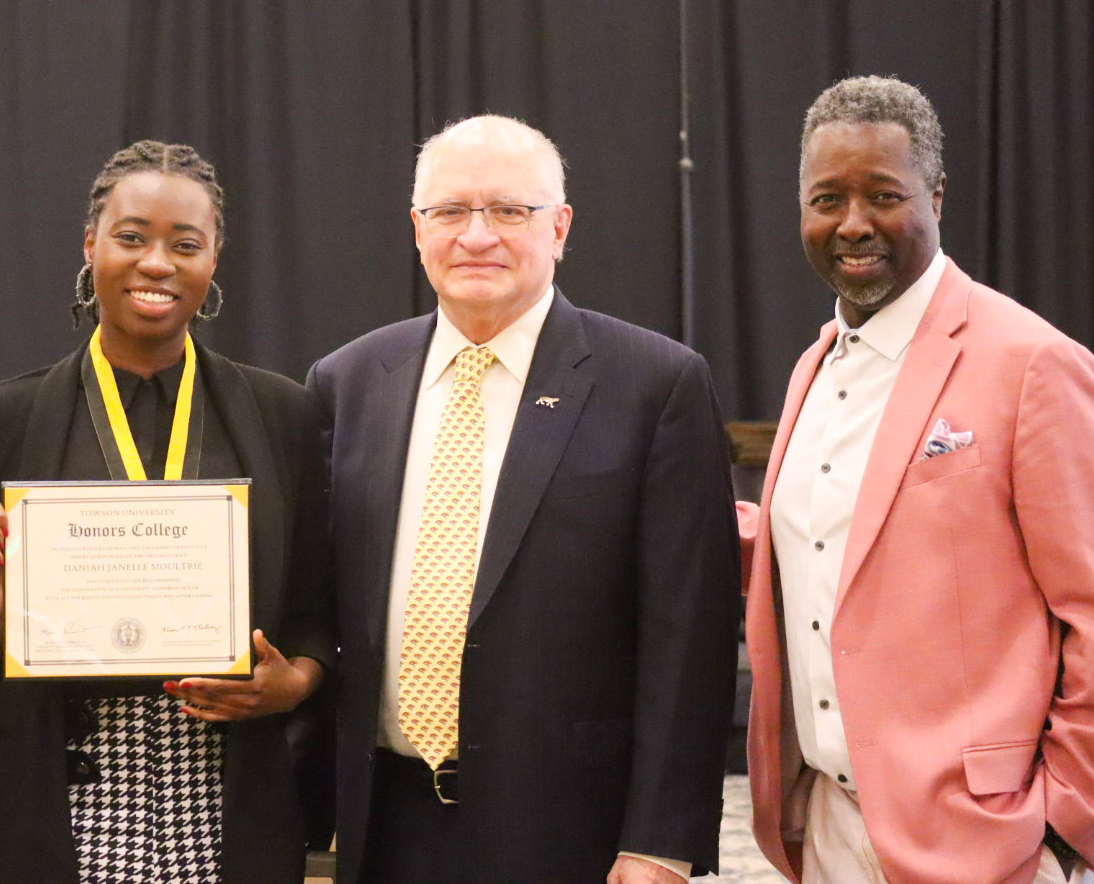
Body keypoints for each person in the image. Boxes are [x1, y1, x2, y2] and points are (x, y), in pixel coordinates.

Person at [306, 115, 741, 884]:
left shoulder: (654, 385)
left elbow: (690, 638)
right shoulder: (345, 383)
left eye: (509, 211)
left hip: (572, 833)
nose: (476, 236)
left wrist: (659, 843)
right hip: (383, 827)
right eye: (450, 211)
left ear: (559, 227)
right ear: (417, 229)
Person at [0, 140, 333, 884]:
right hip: (59, 805)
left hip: (222, 801)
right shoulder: (3, 419)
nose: (157, 263)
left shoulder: (283, 415)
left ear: (214, 260)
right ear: (91, 246)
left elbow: (318, 615)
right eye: (131, 237)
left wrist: (293, 682)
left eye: (185, 244)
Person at [740, 76, 1094, 884]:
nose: (853, 224)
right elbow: (840, 545)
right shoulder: (815, 365)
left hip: (986, 843)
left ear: (934, 197)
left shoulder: (1030, 362)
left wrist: (1063, 825)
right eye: (826, 198)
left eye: (883, 195)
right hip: (827, 826)